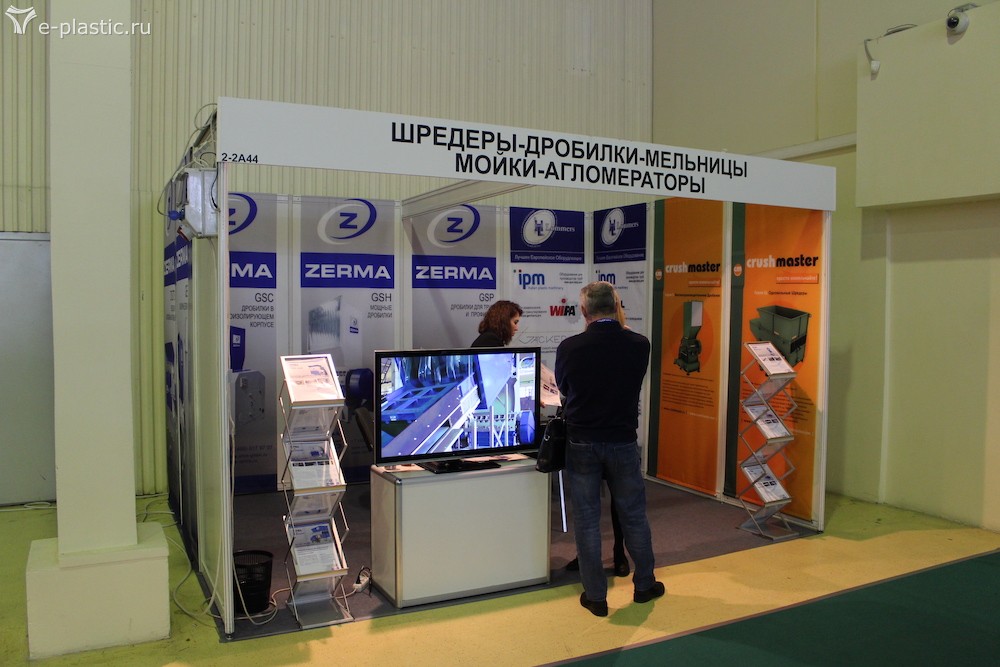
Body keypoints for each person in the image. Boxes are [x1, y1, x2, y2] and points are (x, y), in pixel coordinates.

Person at [555, 281, 664, 617]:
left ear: (584, 310)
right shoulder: (639, 344)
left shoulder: (570, 347)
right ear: (617, 306)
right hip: (622, 441)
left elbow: (563, 387)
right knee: (634, 516)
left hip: (582, 442)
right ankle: (644, 584)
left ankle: (596, 596)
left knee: (587, 520)